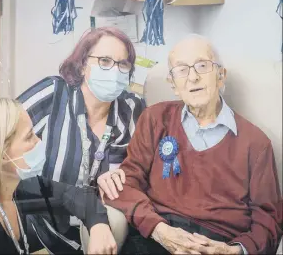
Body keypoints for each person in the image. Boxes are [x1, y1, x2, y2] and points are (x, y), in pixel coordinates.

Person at [105, 34, 283, 254]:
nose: (193, 77)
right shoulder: (154, 119)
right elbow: (128, 182)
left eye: (202, 65)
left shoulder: (256, 143)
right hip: (157, 236)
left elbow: (269, 220)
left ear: (220, 76)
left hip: (220, 244)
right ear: (173, 84)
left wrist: (234, 251)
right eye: (181, 70)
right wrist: (159, 230)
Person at [17, 27, 145, 253]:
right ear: (83, 64)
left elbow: (146, 167)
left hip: (105, 224)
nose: (114, 71)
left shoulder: (133, 108)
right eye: (104, 61)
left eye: (123, 64)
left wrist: (126, 176)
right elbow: (1, 140)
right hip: (44, 222)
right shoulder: (52, 93)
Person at [0, 97, 117, 254]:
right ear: (1, 152)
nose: (39, 142)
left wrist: (99, 226)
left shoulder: (19, 186)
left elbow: (79, 197)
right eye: (29, 137)